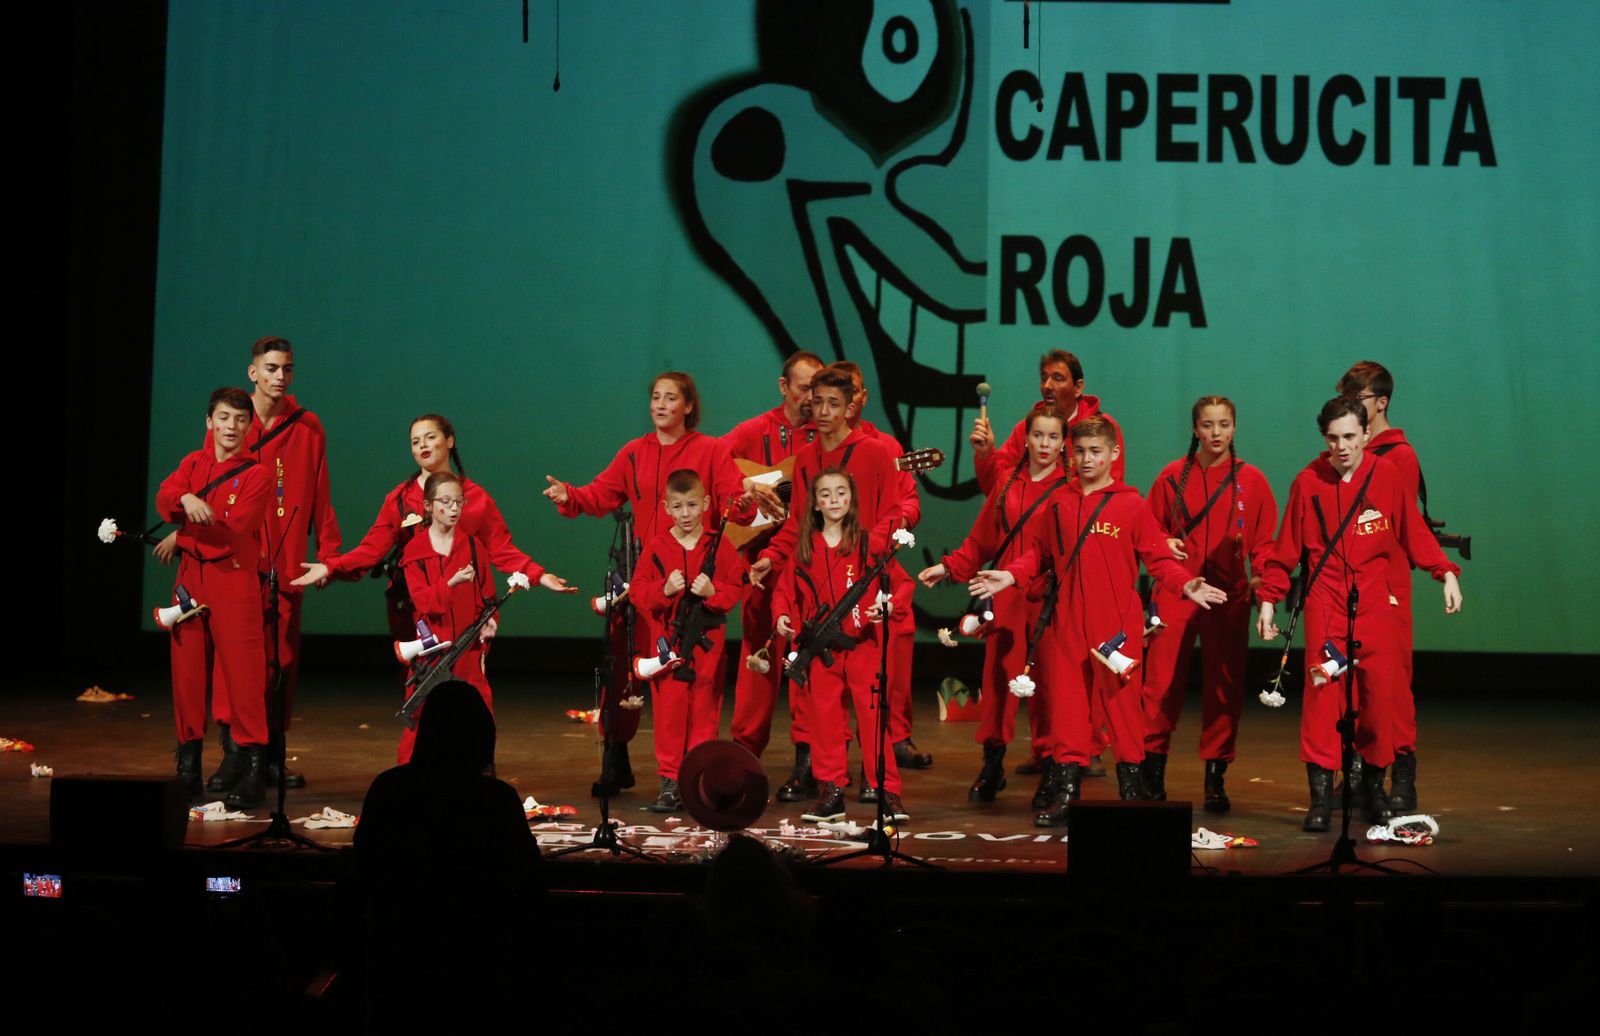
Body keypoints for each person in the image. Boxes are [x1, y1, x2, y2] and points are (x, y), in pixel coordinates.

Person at [971, 417, 1227, 826]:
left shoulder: (1130, 504)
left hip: (1116, 627)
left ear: (1113, 454)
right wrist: (1010, 576)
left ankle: (1132, 791)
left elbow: (1158, 557)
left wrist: (1185, 585)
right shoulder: (1060, 501)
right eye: (1080, 451)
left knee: (1123, 710)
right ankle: (1066, 792)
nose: (1087, 459)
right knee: (1067, 710)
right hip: (1067, 622)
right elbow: (1038, 554)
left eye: (1095, 451)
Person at [543, 372, 769, 796]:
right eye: (656, 397)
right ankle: (617, 756)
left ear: (688, 406)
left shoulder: (711, 450)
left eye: (670, 398)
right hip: (647, 576)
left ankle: (691, 773)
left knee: (688, 678)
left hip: (694, 579)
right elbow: (601, 494)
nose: (660, 405)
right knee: (624, 668)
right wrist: (569, 496)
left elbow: (732, 505)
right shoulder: (634, 452)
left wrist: (745, 501)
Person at [292, 415, 570, 745]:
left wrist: (539, 575)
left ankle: (475, 761)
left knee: (470, 690)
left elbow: (501, 548)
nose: (422, 445)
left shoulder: (475, 498)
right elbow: (372, 549)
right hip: (415, 609)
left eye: (430, 437)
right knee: (423, 691)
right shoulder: (400, 499)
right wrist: (330, 567)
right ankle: (425, 764)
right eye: (415, 441)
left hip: (465, 612)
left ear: (450, 441)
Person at [1256, 397, 1462, 832]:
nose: (1342, 446)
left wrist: (1444, 571)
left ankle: (1374, 790)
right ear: (1324, 438)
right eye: (1333, 438)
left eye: (1350, 436)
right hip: (1326, 603)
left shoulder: (1385, 475)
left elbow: (1412, 530)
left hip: (1374, 603)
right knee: (1322, 701)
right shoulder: (1308, 483)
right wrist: (1270, 598)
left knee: (1378, 700)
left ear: (1367, 434)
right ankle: (1319, 800)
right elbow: (1286, 549)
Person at [163, 336, 340, 792]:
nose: (280, 376)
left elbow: (319, 490)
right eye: (272, 368)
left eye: (287, 368)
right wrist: (181, 529)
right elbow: (200, 488)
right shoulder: (232, 421)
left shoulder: (306, 426)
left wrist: (329, 552)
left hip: (282, 554)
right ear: (253, 371)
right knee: (231, 661)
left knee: (279, 657)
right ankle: (234, 756)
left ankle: (270, 756)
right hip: (228, 559)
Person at [750, 368, 916, 803]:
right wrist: (771, 556)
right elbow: (798, 523)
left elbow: (898, 509)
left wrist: (867, 548)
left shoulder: (876, 451)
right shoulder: (806, 457)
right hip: (819, 585)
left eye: (833, 404)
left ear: (851, 406)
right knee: (818, 697)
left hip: (863, 584)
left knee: (871, 697)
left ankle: (879, 782)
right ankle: (824, 779)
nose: (823, 411)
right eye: (818, 401)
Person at [354, 680, 542, 1030]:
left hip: (398, 979)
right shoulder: (496, 801)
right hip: (481, 978)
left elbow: (358, 874)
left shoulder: (389, 791)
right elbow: (531, 885)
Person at [970, 348, 1123, 774]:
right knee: (1023, 667)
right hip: (1022, 572)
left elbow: (1108, 493)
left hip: (1075, 566)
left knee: (1070, 669)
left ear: (1078, 386)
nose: (1048, 385)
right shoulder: (1029, 425)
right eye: (1044, 377)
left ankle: (1080, 748)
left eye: (1058, 378)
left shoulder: (1101, 428)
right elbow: (997, 487)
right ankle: (1043, 752)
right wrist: (985, 454)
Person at [918, 406, 1070, 805]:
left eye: (1053, 437)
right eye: (1038, 435)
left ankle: (1051, 767)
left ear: (1063, 443)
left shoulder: (1069, 490)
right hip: (1005, 597)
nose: (1044, 444)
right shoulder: (1007, 483)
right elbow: (981, 540)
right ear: (1026, 438)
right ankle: (992, 762)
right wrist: (948, 567)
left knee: (1050, 685)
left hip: (1049, 599)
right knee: (999, 681)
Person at [1140, 397, 1279, 813]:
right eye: (1207, 425)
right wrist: (1163, 542)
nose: (1216, 433)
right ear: (1194, 429)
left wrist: (1264, 589)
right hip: (1176, 592)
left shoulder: (1251, 480)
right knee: (1160, 685)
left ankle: (1215, 779)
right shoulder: (1170, 477)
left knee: (1224, 688)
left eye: (1224, 424)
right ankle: (1151, 775)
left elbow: (1265, 545)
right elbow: (1146, 533)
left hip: (1228, 596)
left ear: (1234, 427)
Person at [393, 471, 571, 763]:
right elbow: (424, 603)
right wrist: (451, 583)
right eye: (445, 502)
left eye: (458, 502)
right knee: (421, 723)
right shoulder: (416, 552)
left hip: (468, 650)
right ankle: (410, 781)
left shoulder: (473, 547)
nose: (453, 508)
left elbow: (486, 597)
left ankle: (477, 774)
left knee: (479, 718)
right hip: (433, 653)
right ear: (428, 506)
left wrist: (490, 620)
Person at [156, 387, 272, 807]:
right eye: (224, 417)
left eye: (240, 419)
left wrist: (182, 535)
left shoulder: (258, 475)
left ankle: (252, 769)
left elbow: (231, 532)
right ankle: (188, 768)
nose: (231, 426)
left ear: (250, 425)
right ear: (209, 421)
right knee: (186, 674)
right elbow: (165, 497)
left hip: (233, 582)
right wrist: (184, 497)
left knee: (243, 676)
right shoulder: (192, 463)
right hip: (190, 581)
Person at [774, 468, 910, 824]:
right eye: (826, 494)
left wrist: (889, 605)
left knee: (873, 720)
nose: (834, 500)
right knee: (825, 722)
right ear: (815, 503)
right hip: (822, 653)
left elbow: (901, 584)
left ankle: (887, 792)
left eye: (841, 492)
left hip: (864, 647)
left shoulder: (869, 544)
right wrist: (782, 616)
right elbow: (784, 591)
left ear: (851, 499)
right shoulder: (805, 549)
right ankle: (831, 792)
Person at [828, 361, 930, 773]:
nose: (845, 400)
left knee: (894, 644)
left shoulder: (885, 447)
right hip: (827, 568)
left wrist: (883, 533)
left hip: (873, 564)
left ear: (862, 396)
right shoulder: (816, 448)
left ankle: (895, 737)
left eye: (852, 391)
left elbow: (910, 503)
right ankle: (828, 752)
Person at [719, 351, 821, 762]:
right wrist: (747, 483)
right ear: (783, 387)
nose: (812, 398)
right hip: (761, 554)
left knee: (811, 651)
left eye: (817, 389)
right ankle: (745, 749)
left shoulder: (825, 434)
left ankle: (810, 753)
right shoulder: (755, 429)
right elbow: (712, 458)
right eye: (804, 389)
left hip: (811, 558)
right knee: (757, 649)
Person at [1337, 360, 1426, 811]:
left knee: (1392, 683)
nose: (1351, 406)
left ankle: (1403, 775)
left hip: (1386, 581)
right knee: (1350, 682)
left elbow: (1398, 526)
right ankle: (1357, 775)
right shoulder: (1346, 450)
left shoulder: (1398, 456)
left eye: (1359, 399)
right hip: (1348, 581)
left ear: (1382, 402)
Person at [629, 469, 745, 811]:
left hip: (708, 650)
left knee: (705, 712)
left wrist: (713, 592)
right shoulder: (657, 546)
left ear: (706, 503)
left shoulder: (719, 545)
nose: (685, 514)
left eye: (692, 505)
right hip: (668, 647)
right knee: (669, 714)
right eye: (677, 507)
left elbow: (735, 587)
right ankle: (670, 781)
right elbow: (637, 592)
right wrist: (663, 589)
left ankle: (699, 777)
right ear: (666, 507)